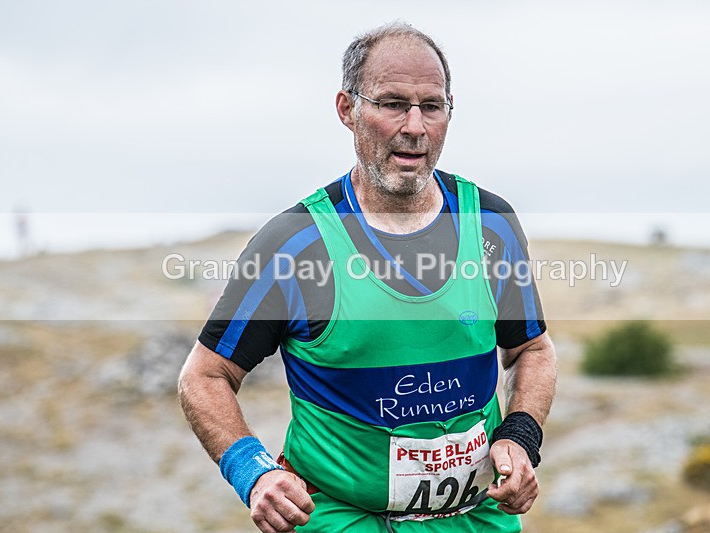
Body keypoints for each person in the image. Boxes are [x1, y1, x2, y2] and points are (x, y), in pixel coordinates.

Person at [178, 22, 557, 533]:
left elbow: (532, 350)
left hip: (474, 519)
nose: (416, 127)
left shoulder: (489, 226)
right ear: (346, 109)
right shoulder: (297, 243)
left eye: (433, 106)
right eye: (393, 103)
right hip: (341, 518)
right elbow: (204, 376)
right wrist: (254, 474)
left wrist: (521, 435)